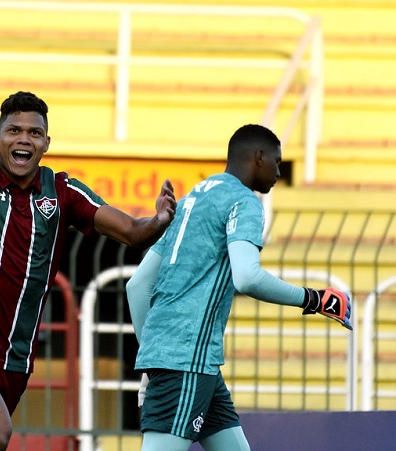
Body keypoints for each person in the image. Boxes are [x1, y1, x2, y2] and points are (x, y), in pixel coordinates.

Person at [0, 8, 177, 451]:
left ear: (47, 142)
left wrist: (160, 219)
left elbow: (130, 232)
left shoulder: (63, 192)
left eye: (33, 132)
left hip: (13, 356)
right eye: (13, 130)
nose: (23, 139)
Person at [126, 124, 352, 451]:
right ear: (259, 157)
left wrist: (153, 357)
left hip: (188, 362)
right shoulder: (243, 201)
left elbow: (138, 285)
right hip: (187, 361)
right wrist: (314, 299)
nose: (277, 171)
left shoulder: (190, 200)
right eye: (276, 161)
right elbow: (247, 277)